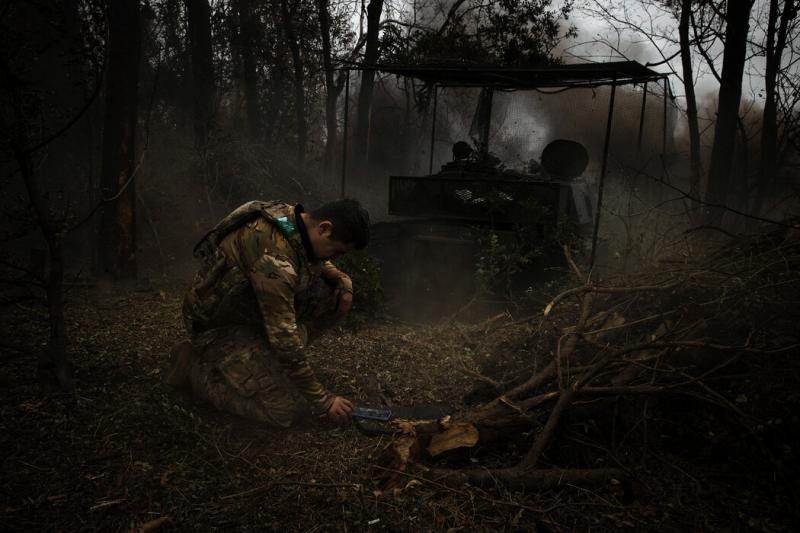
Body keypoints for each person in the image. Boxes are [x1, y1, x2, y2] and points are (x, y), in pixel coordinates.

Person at [168, 199, 370, 428]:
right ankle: (193, 368)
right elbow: (284, 338)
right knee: (283, 410)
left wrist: (342, 280)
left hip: (244, 311)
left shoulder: (290, 219)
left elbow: (304, 254)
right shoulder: (275, 261)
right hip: (215, 327)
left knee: (331, 289)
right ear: (324, 228)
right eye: (336, 252)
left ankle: (266, 360)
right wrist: (323, 400)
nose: (334, 259)